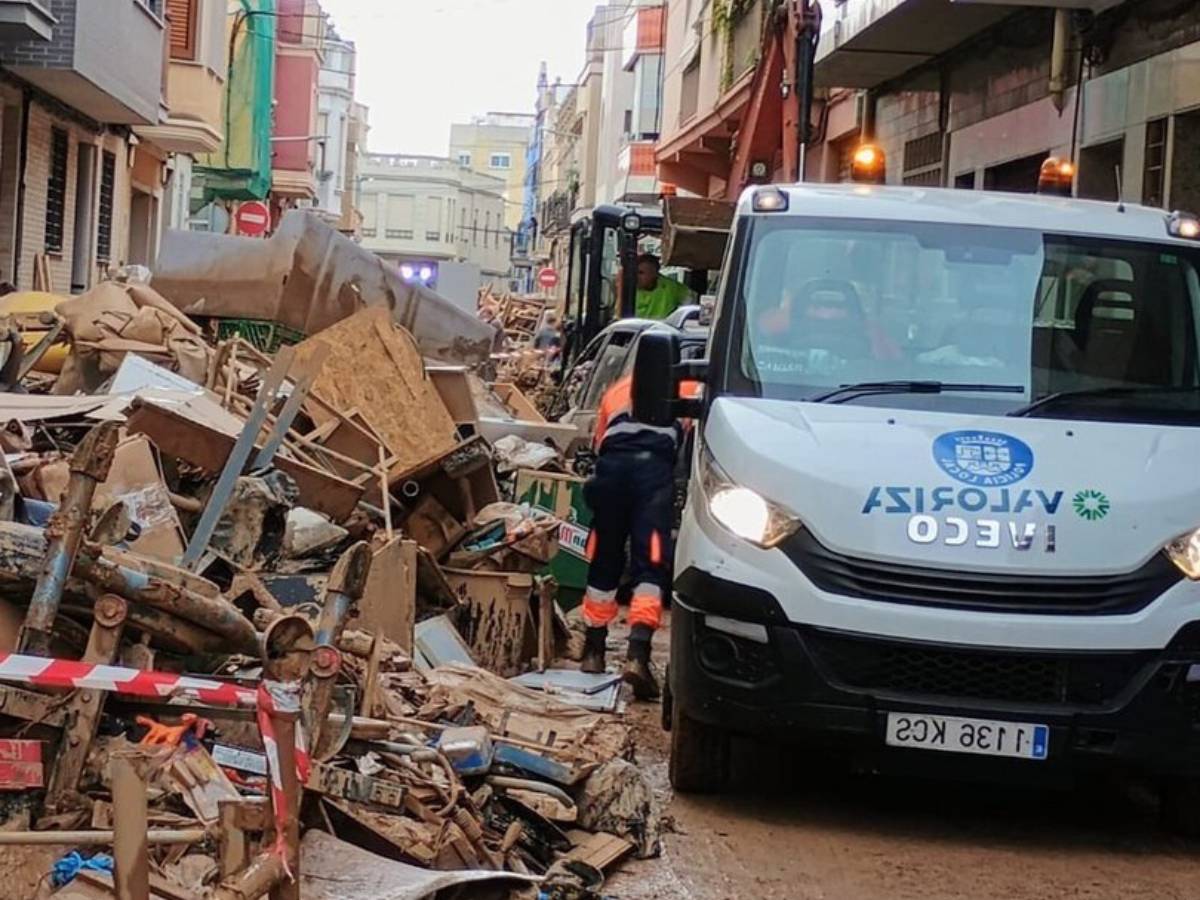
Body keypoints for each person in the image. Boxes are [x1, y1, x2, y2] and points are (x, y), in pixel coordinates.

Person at [580, 353, 698, 699]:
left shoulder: (616, 388)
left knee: (604, 561)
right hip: (653, 477)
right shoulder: (688, 387)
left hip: (611, 474)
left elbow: (599, 445)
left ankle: (593, 651)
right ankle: (638, 654)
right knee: (651, 565)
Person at [635, 254, 692, 320]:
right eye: (634, 272)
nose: (636, 276)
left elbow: (691, 301)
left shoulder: (671, 287)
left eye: (641, 273)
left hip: (663, 328)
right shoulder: (626, 289)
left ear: (655, 273)